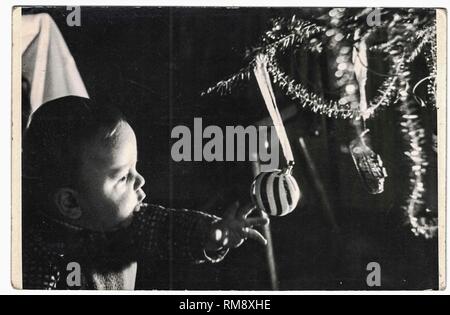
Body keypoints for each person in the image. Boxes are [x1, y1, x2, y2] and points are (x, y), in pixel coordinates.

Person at [22, 96, 268, 290]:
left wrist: (212, 233)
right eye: (123, 176)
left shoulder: (121, 223)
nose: (140, 180)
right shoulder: (37, 268)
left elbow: (166, 227)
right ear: (70, 202)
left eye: (135, 168)